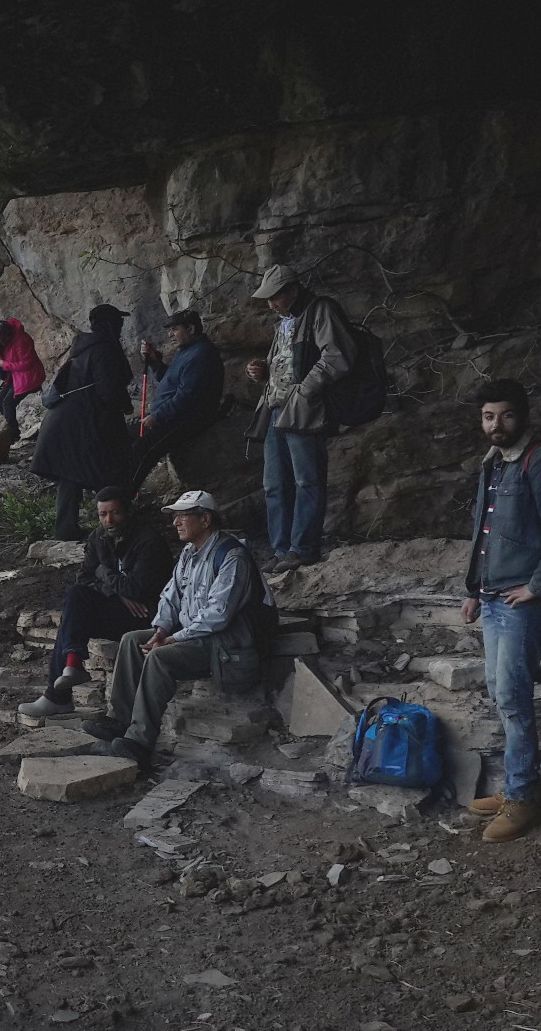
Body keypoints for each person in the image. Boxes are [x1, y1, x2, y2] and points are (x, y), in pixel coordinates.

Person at [460, 379, 541, 842]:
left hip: (520, 601)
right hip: (490, 596)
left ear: (522, 415)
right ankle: (518, 787)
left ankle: (523, 797)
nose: (496, 425)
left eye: (505, 415)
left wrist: (538, 584)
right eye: (489, 416)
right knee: (499, 690)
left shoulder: (538, 459)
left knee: (512, 694)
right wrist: (472, 589)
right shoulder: (494, 463)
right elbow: (482, 533)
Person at [85, 490, 270, 767]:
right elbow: (170, 596)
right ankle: (120, 720)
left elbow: (218, 615)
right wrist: (161, 629)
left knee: (160, 657)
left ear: (205, 519)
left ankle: (139, 742)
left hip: (227, 644)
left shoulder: (232, 556)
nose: (175, 523)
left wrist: (174, 639)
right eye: (176, 517)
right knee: (132, 640)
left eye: (183, 516)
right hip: (196, 634)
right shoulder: (188, 553)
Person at [18, 486, 173, 718]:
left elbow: (136, 589)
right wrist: (116, 593)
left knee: (73, 612)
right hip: (119, 607)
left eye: (115, 513)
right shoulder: (99, 537)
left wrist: (103, 572)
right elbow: (84, 578)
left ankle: (58, 694)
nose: (109, 520)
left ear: (128, 511)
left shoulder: (149, 541)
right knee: (75, 596)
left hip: (147, 618)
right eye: (103, 514)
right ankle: (71, 668)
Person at [246, 263, 356, 572]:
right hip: (275, 407)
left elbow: (338, 355)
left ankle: (303, 548)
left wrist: (305, 388)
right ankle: (282, 550)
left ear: (293, 290)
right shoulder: (284, 321)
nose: (271, 304)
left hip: (304, 409)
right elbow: (284, 363)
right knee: (274, 484)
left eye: (275, 297)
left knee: (307, 479)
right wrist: (262, 372)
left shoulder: (321, 310)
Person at [32, 304, 135, 540]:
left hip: (64, 421)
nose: (120, 327)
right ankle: (120, 524)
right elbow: (108, 392)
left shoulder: (84, 348)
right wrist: (124, 405)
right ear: (110, 324)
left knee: (71, 474)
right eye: (117, 322)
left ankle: (67, 530)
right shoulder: (104, 349)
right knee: (112, 469)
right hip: (80, 423)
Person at [128, 308, 225, 490]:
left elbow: (187, 397)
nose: (170, 335)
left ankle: (121, 500)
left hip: (186, 418)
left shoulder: (202, 354)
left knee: (143, 449)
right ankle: (115, 496)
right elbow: (170, 382)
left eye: (174, 329)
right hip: (172, 414)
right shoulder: (187, 351)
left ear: (190, 329)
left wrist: (157, 417)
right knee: (128, 435)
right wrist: (155, 361)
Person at [0, 317, 45, 436]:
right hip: (14, 376)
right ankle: (9, 430)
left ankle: (13, 435)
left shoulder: (22, 341)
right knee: (0, 400)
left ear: (7, 337)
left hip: (27, 377)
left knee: (8, 403)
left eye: (0, 341)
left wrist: (4, 364)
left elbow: (26, 364)